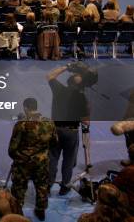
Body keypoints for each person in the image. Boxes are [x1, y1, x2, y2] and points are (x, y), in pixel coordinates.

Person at [8, 98, 57, 221]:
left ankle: (17, 213)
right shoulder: (49, 123)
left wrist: (20, 158)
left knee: (19, 188)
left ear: (25, 108)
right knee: (42, 186)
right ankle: (41, 211)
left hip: (23, 163)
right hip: (42, 162)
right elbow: (55, 142)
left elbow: (12, 149)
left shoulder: (21, 125)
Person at [46, 65, 90, 196]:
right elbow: (86, 122)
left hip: (55, 129)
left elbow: (50, 76)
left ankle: (48, 185)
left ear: (68, 82)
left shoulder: (59, 89)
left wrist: (67, 67)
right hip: (71, 131)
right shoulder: (82, 98)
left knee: (52, 159)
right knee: (69, 160)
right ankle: (65, 186)